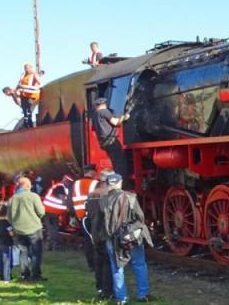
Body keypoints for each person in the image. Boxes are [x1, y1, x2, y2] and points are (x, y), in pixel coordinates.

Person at [101, 173, 153, 304]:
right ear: (120, 183)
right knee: (139, 264)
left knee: (117, 268)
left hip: (113, 239)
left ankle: (122, 298)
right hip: (131, 237)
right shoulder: (130, 197)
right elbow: (140, 218)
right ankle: (143, 294)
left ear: (108, 185)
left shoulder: (102, 201)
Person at [7, 176, 46, 282]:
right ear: (28, 185)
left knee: (23, 252)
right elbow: (41, 212)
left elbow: (9, 216)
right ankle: (36, 275)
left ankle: (25, 274)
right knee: (36, 252)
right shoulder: (34, 196)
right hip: (34, 228)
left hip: (18, 229)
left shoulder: (12, 199)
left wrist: (14, 225)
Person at [84, 170, 113, 299]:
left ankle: (100, 287)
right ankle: (107, 291)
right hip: (106, 232)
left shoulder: (92, 194)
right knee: (108, 262)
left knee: (99, 261)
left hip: (95, 232)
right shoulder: (108, 195)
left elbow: (87, 216)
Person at [92, 98, 130, 177]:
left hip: (103, 142)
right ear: (103, 104)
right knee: (120, 162)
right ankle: (122, 180)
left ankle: (117, 178)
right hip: (111, 140)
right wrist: (124, 117)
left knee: (115, 162)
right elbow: (115, 122)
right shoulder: (104, 111)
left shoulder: (95, 115)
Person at [15, 63, 42, 128]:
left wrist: (29, 87)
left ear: (30, 68)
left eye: (27, 68)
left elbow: (40, 84)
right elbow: (18, 85)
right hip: (23, 95)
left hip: (31, 95)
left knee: (29, 111)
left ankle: (30, 125)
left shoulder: (34, 75)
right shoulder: (23, 76)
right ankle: (26, 125)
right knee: (25, 112)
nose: (26, 69)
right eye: (25, 68)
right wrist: (17, 90)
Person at [0, 204, 14, 282]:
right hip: (7, 243)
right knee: (7, 260)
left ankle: (0, 275)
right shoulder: (7, 223)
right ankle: (7, 277)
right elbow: (11, 233)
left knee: (0, 259)